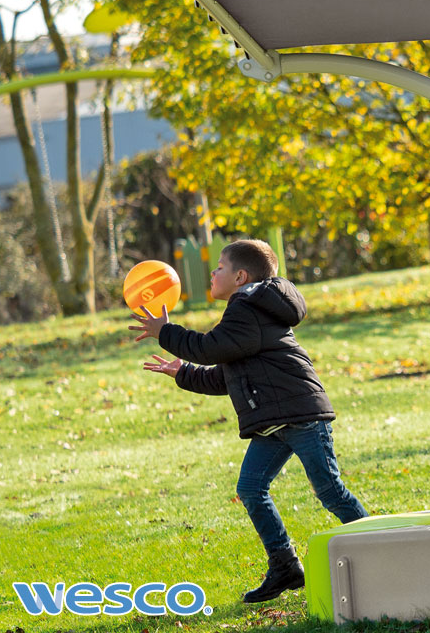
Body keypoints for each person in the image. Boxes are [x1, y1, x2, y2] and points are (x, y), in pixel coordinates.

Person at [130, 239, 368, 603]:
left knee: (330, 491)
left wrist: (166, 331)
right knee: (251, 489)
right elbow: (225, 376)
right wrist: (183, 372)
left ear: (240, 276)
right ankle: (285, 565)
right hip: (274, 421)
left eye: (220, 267)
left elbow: (211, 348)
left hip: (300, 414)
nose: (212, 272)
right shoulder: (246, 312)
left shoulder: (247, 308)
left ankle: (381, 547)